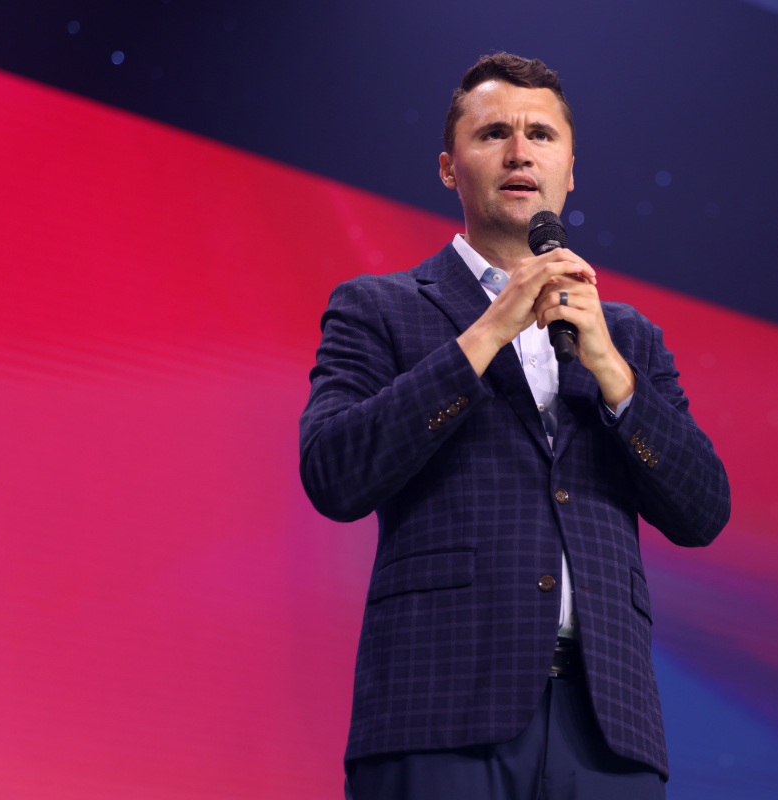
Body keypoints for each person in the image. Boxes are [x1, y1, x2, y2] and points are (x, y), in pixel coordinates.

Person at [299, 52, 730, 799]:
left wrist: (613, 375)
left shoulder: (627, 337)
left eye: (541, 135)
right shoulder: (378, 306)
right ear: (448, 168)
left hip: (607, 732)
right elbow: (335, 473)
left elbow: (703, 512)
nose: (519, 151)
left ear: (570, 169)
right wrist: (488, 332)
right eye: (493, 132)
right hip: (437, 714)